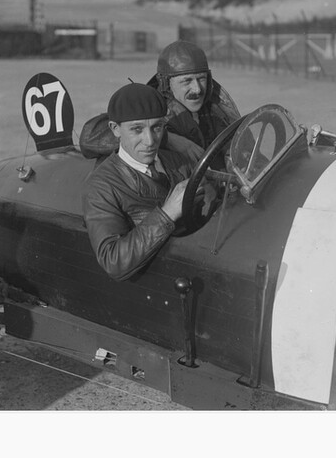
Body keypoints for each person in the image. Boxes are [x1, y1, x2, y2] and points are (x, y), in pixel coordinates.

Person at [82, 83, 199, 281]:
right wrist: (167, 213)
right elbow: (113, 261)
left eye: (157, 128)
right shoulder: (101, 186)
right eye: (137, 130)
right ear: (115, 129)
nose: (150, 140)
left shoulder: (179, 163)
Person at [148, 40, 241, 150]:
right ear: (166, 84)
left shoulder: (219, 111)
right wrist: (166, 138)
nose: (197, 89)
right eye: (186, 81)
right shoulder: (152, 123)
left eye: (201, 79)